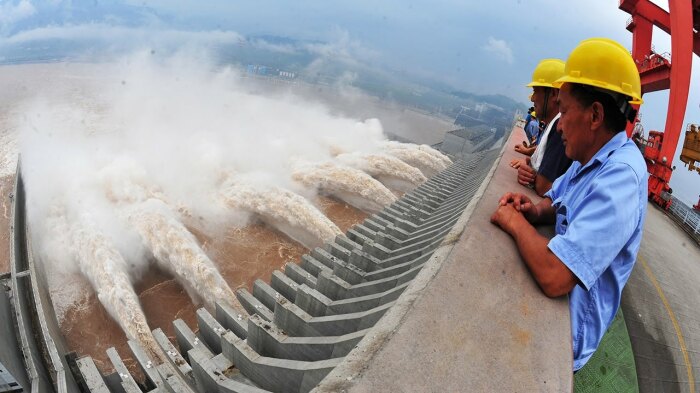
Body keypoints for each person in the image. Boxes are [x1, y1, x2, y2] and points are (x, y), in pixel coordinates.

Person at [491, 37, 648, 372]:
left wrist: (514, 221)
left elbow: (555, 276)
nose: (558, 125)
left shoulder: (621, 177)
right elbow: (557, 199)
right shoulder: (588, 155)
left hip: (568, 337)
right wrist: (534, 211)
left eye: (563, 111)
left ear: (594, 115)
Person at [511, 58, 573, 196]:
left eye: (535, 91)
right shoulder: (553, 125)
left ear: (553, 94)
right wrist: (530, 163)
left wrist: (533, 177)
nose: (532, 98)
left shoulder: (559, 127)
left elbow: (544, 187)